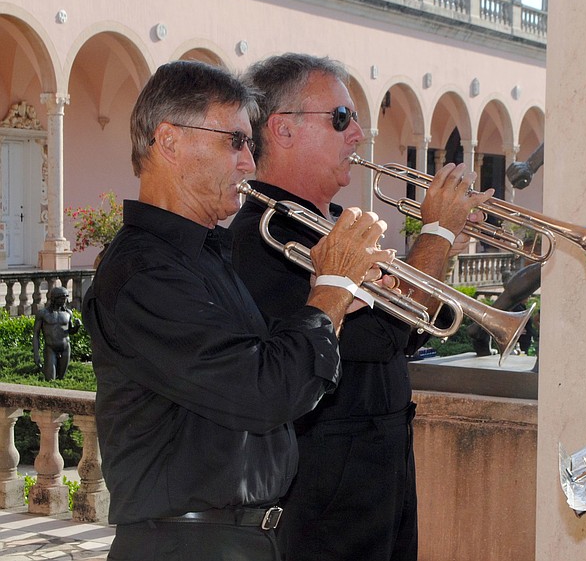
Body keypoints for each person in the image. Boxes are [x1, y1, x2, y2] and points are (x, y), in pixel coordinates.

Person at [82, 60, 393, 561]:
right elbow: (267, 392)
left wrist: (339, 302)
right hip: (186, 545)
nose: (249, 162)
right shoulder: (144, 274)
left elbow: (267, 364)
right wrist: (331, 289)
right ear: (169, 141)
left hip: (242, 540)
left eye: (249, 143)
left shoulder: (205, 257)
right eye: (234, 142)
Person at [229, 53, 492, 561]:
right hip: (328, 505)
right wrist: (434, 233)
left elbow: (412, 334)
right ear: (282, 130)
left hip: (380, 482)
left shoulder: (329, 225)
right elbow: (379, 338)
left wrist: (436, 253)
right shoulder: (268, 235)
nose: (358, 135)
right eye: (341, 118)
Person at [32, 286, 81, 380]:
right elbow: (36, 335)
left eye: (66, 298)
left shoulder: (68, 313)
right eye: (62, 298)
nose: (65, 301)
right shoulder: (43, 314)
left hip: (66, 348)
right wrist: (36, 354)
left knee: (61, 378)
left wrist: (77, 327)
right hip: (50, 348)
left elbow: (70, 331)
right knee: (50, 379)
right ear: (54, 298)